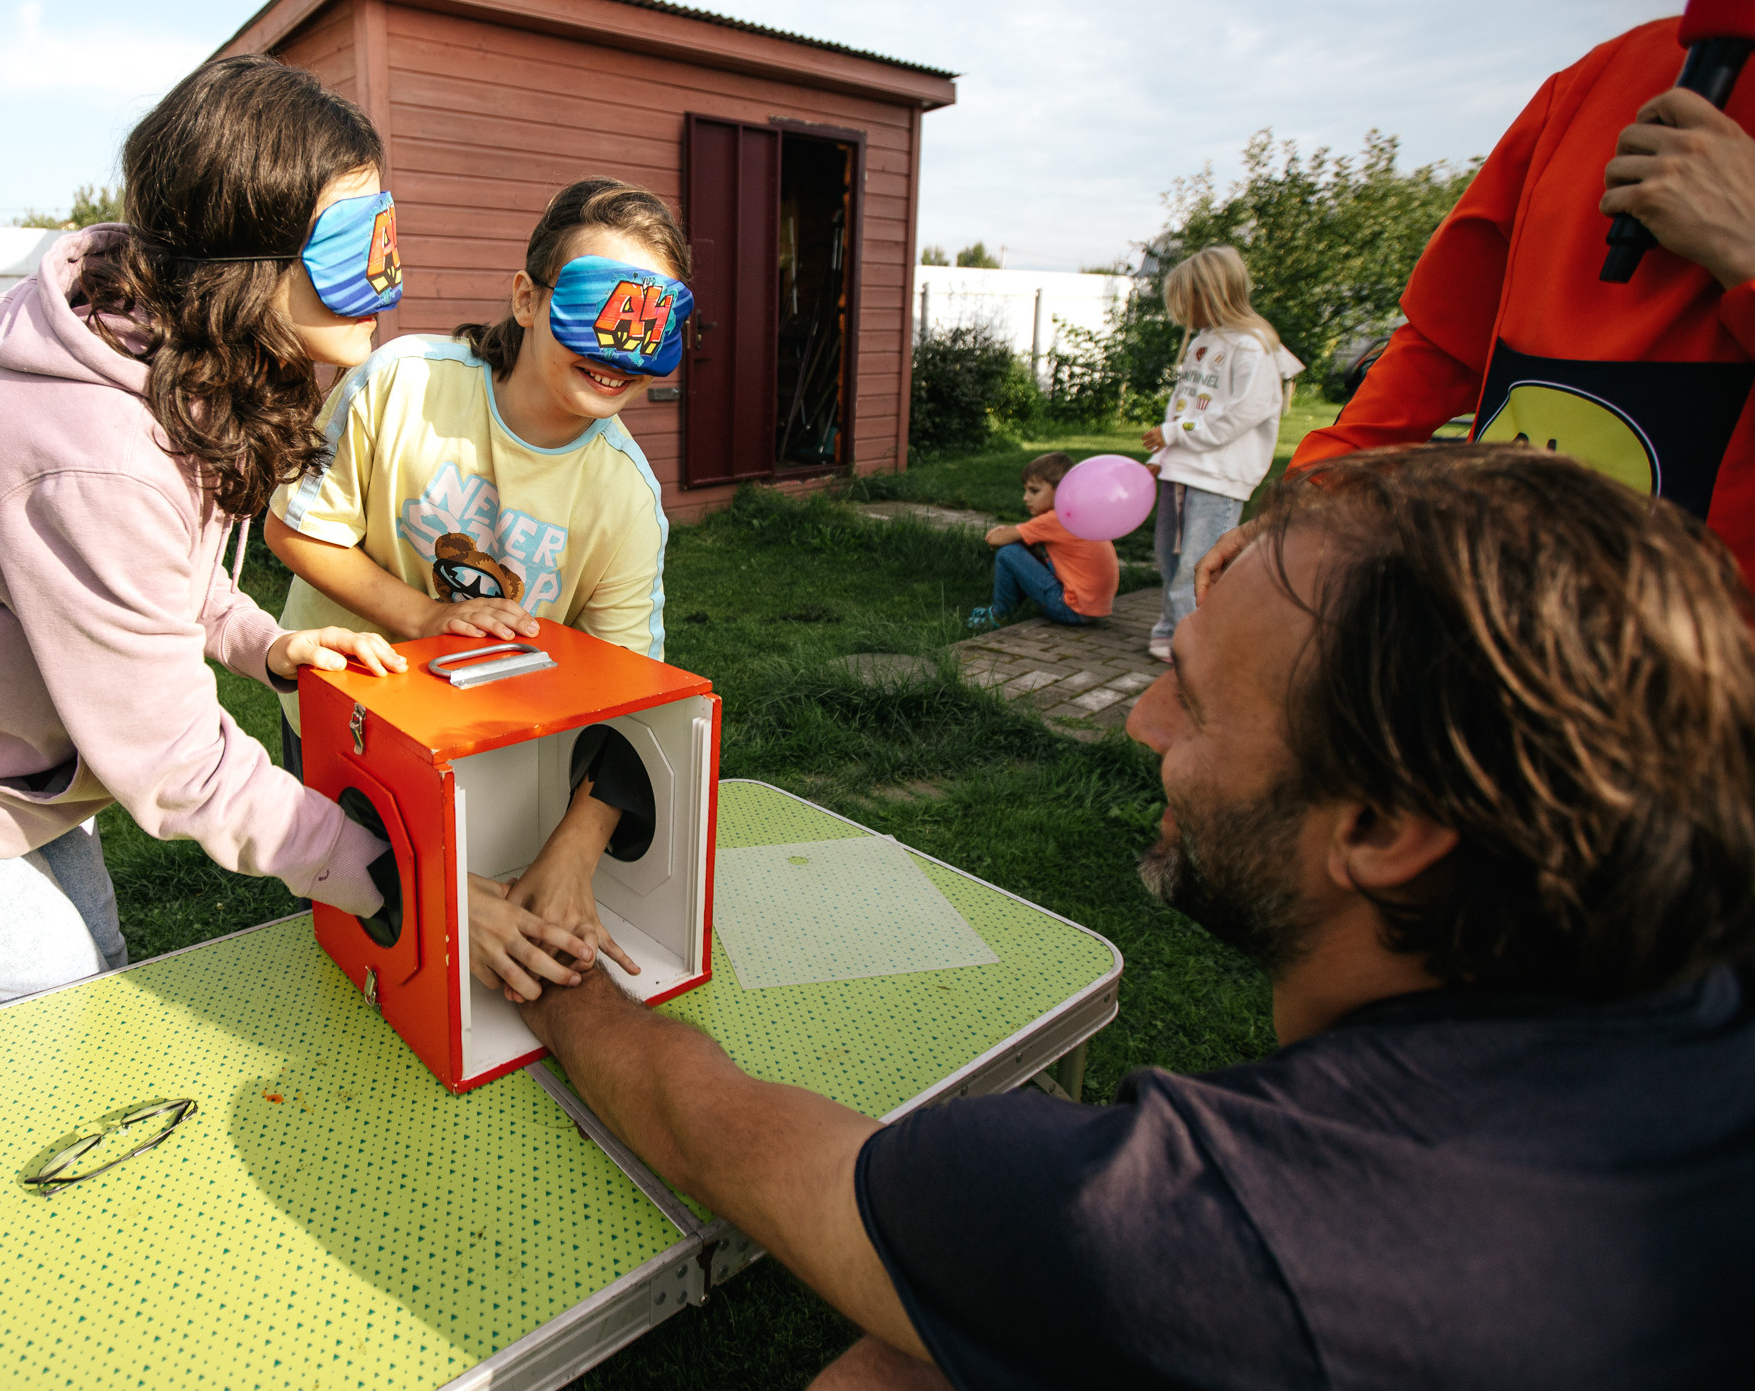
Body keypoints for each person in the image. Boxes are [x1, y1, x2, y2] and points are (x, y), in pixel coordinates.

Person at [519, 442, 1755, 1390]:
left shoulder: (1192, 1233)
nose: (1141, 723)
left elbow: (722, 1135)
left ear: (1380, 830)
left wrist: (563, 974)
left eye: (1196, 700)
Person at [0, 56, 407, 1024]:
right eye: (356, 244)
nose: (386, 277)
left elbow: (166, 565)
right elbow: (181, 762)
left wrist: (261, 643)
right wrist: (381, 877)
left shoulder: (177, 362)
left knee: (91, 952)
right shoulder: (99, 454)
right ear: (242, 256)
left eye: (387, 235)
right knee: (44, 1008)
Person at [1204, 0, 1755, 595]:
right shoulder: (1599, 81)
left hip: (1713, 670)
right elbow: (1442, 340)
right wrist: (1317, 499)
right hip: (1505, 623)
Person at [265, 177, 683, 1001]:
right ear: (527, 298)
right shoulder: (401, 385)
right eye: (595, 308)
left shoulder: (626, 498)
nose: (613, 350)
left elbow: (633, 698)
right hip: (343, 736)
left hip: (493, 765)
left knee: (469, 978)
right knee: (346, 955)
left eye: (647, 326)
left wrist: (573, 853)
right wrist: (428, 615)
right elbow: (295, 528)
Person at [1140, 246, 1303, 664]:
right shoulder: (1205, 339)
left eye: (1183, 300)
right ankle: (1172, 627)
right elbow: (1188, 401)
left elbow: (1247, 410)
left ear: (1209, 294)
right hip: (1183, 467)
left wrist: (1174, 433)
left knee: (1198, 559)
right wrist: (1165, 451)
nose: (1178, 310)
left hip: (1217, 475)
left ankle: (1196, 639)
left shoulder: (1251, 346)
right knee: (1169, 555)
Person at [969, 451, 1118, 628]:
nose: (1026, 497)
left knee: (1008, 553)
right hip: (1093, 611)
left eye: (1034, 491)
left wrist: (1007, 533)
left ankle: (999, 616)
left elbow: (995, 540)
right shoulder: (1077, 515)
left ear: (1062, 490)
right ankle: (1004, 611)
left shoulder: (1056, 519)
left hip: (1071, 609)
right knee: (1023, 551)